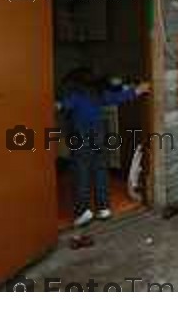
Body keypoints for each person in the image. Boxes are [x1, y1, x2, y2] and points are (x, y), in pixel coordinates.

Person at [58, 67, 151, 227]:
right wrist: (138, 90)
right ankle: (103, 208)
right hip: (99, 136)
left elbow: (60, 106)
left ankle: (83, 211)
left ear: (74, 84)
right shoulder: (98, 95)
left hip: (80, 138)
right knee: (100, 170)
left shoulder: (74, 97)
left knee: (82, 172)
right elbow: (119, 97)